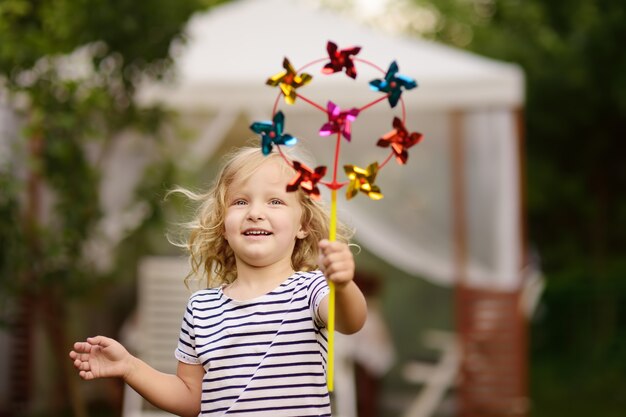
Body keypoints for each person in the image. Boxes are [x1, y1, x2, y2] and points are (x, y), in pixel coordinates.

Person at [69, 146, 368, 417]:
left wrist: (342, 285)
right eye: (240, 201)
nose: (255, 213)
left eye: (275, 201)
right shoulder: (202, 308)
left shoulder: (312, 291)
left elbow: (350, 320)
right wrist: (130, 367)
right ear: (223, 224)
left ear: (302, 225)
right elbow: (190, 398)